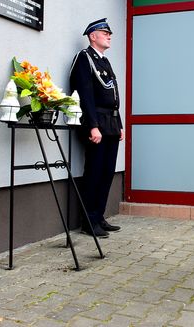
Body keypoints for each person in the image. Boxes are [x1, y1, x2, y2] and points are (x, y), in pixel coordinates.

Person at [69, 18, 124, 238]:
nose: (109, 36)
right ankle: (88, 222)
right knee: (94, 173)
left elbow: (114, 96)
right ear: (93, 36)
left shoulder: (104, 61)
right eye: (105, 33)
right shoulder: (84, 58)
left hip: (110, 123)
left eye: (109, 33)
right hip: (97, 123)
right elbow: (84, 94)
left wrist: (119, 125)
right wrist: (92, 126)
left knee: (107, 173)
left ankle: (99, 216)